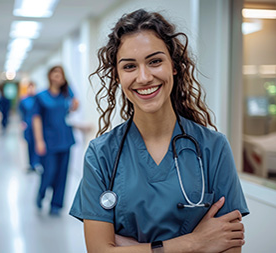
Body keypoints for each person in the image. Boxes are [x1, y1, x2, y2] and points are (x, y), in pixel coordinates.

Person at [70, 9, 249, 252]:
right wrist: (195, 242)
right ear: (117, 76)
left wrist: (127, 246)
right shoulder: (101, 155)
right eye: (129, 66)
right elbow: (99, 250)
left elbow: (228, 244)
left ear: (174, 66)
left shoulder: (213, 148)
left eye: (155, 61)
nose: (143, 77)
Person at [32, 65, 79, 216]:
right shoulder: (41, 96)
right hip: (49, 140)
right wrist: (39, 141)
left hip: (65, 138)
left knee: (63, 173)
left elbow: (74, 107)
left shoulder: (65, 95)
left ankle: (56, 205)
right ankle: (41, 194)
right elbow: (36, 119)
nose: (58, 77)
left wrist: (69, 88)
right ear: (50, 75)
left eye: (61, 75)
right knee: (49, 171)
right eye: (55, 74)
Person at [18, 82, 42, 173]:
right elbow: (21, 112)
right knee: (29, 144)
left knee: (38, 144)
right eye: (30, 87)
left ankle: (37, 163)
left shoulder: (38, 99)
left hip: (38, 127)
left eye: (33, 87)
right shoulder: (24, 100)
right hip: (28, 125)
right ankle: (31, 164)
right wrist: (22, 122)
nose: (31, 89)